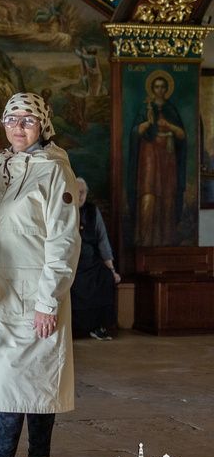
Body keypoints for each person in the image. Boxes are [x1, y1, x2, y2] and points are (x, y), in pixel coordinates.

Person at [0, 93, 80, 457]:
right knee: (30, 382)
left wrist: (48, 301)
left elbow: (64, 240)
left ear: (43, 125)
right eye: (11, 119)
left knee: (14, 383)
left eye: (28, 120)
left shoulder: (54, 171)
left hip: (35, 295)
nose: (18, 127)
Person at [128, 73, 186, 246]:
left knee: (167, 197)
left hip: (167, 156)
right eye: (157, 87)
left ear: (167, 89)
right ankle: (145, 241)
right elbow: (135, 133)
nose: (160, 90)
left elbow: (182, 135)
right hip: (149, 154)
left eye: (162, 87)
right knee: (148, 195)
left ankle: (166, 241)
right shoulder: (145, 108)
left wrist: (168, 125)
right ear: (152, 89)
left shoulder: (171, 110)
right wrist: (148, 123)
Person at [70, 177, 120, 341]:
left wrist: (111, 269)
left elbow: (102, 240)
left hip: (90, 261)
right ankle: (72, 328)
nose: (80, 196)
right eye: (76, 192)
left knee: (106, 277)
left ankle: (98, 327)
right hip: (70, 262)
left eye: (82, 192)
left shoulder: (93, 211)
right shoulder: (63, 209)